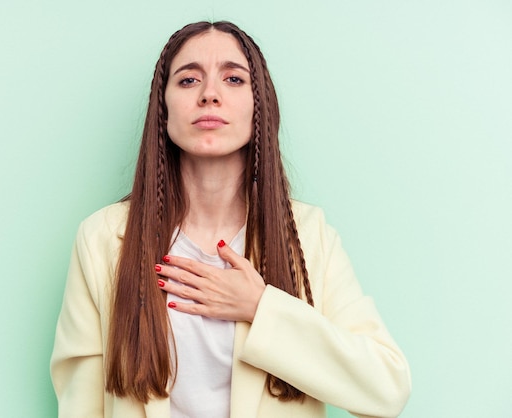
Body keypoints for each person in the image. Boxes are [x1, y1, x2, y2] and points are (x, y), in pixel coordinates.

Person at [50, 21, 411, 418]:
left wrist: (261, 307)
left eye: (233, 78)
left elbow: (386, 389)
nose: (209, 94)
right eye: (188, 80)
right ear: (163, 108)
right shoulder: (102, 239)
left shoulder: (309, 236)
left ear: (260, 104)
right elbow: (80, 406)